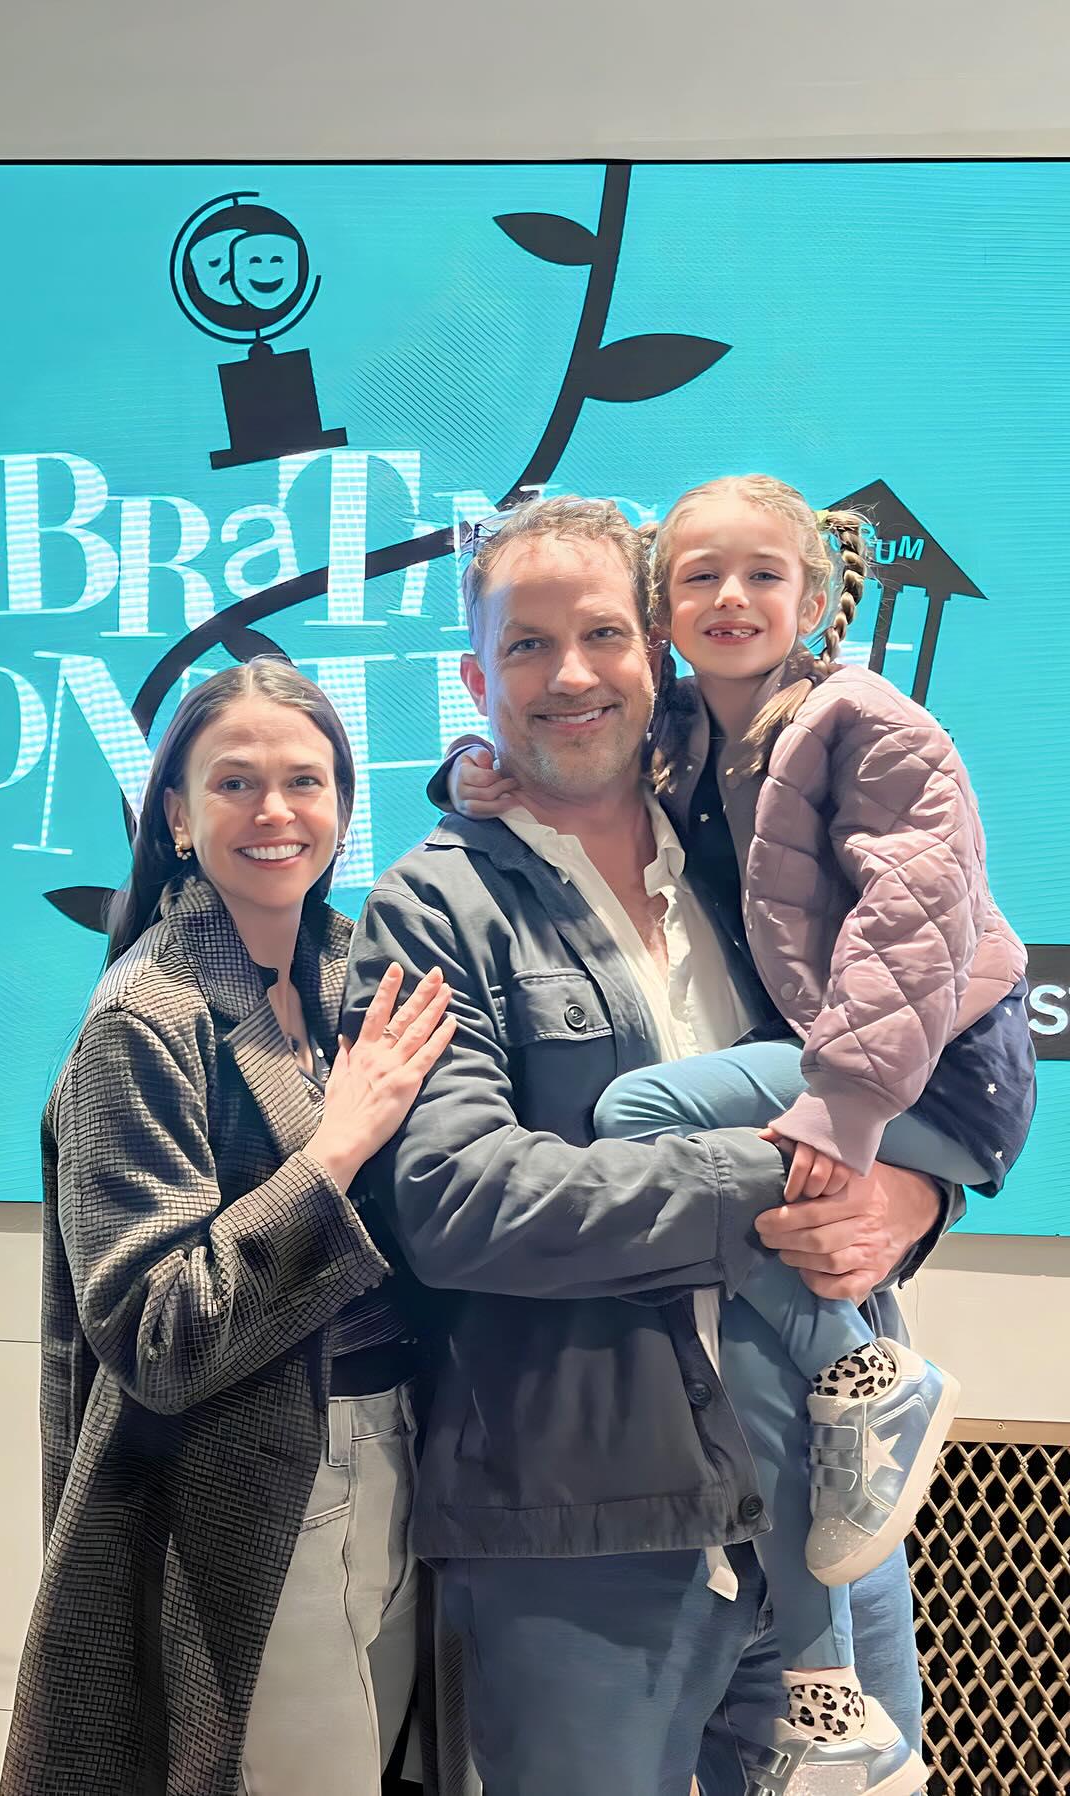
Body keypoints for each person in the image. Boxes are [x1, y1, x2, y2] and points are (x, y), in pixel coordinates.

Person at [342, 496, 1035, 1796]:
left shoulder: (753, 849)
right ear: (475, 680)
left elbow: (924, 1010)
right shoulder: (433, 908)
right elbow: (461, 1203)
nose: (572, 674)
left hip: (825, 1511)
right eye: (528, 644)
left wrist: (913, 1202)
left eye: (604, 633)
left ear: (656, 652)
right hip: (591, 1540)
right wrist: (776, 1176)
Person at [0, 658, 461, 1796]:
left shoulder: (356, 974)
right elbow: (159, 1333)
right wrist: (333, 1153)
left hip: (403, 1442)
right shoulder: (143, 1018)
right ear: (175, 813)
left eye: (304, 780)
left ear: (343, 805)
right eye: (235, 782)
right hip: (249, 1491)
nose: (274, 811)